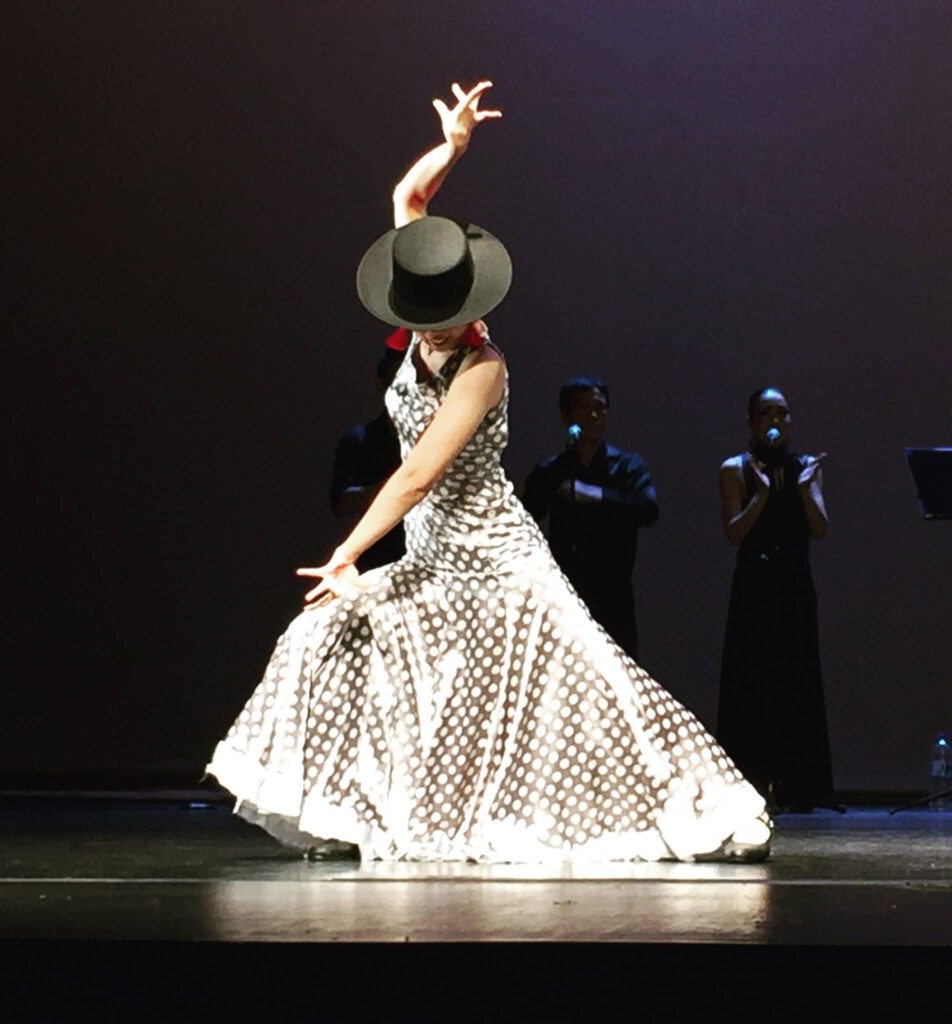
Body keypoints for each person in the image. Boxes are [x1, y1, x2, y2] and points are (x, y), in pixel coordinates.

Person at [206, 80, 771, 863]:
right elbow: (408, 198)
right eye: (423, 317)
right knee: (326, 636)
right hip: (436, 559)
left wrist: (347, 554)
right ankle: (354, 813)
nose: (433, 327)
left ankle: (708, 809)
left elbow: (417, 476)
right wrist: (454, 147)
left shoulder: (483, 368)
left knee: (595, 685)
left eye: (444, 317)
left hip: (500, 559)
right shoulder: (421, 282)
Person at [717, 387, 837, 812]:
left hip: (794, 583)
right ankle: (751, 782)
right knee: (751, 681)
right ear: (751, 423)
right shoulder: (735, 468)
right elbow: (734, 532)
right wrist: (762, 495)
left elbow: (820, 527)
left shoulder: (806, 468)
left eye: (782, 413)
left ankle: (797, 786)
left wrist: (804, 490)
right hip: (754, 585)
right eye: (766, 413)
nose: (775, 421)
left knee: (796, 678)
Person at [523, 377, 658, 660]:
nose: (594, 415)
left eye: (600, 407)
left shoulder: (627, 466)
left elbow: (648, 509)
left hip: (614, 594)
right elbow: (527, 519)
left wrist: (595, 494)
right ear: (567, 416)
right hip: (564, 592)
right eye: (584, 409)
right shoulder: (551, 470)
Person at [328, 338, 406, 571]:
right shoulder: (360, 439)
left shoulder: (442, 435)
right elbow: (341, 503)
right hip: (377, 558)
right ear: (383, 384)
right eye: (397, 382)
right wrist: (400, 485)